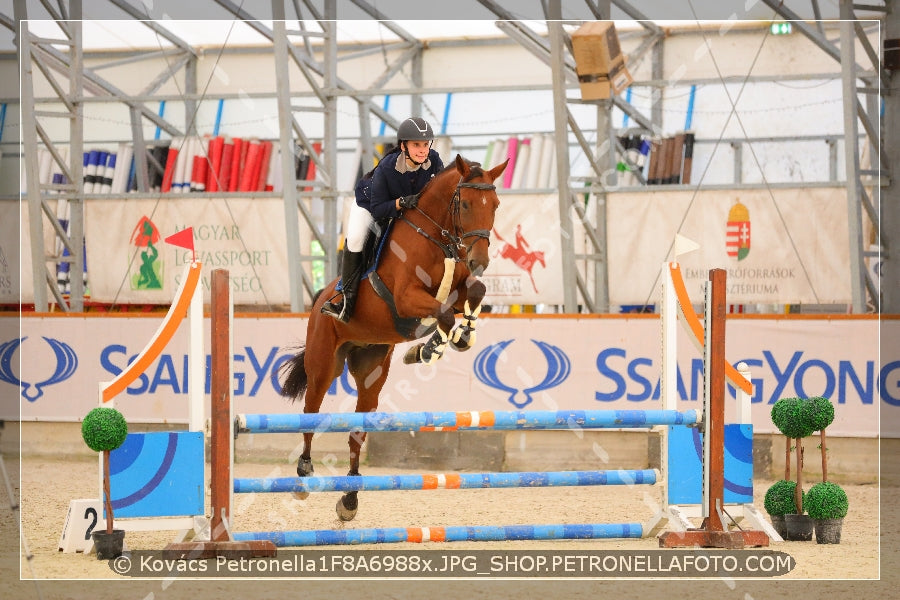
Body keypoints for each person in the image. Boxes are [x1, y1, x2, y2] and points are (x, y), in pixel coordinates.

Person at [322, 117, 444, 322]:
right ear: (403, 145)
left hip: (408, 210)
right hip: (370, 205)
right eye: (416, 145)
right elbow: (378, 210)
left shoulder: (434, 161)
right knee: (355, 240)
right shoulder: (387, 168)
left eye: (425, 144)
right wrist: (400, 202)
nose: (423, 150)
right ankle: (346, 301)